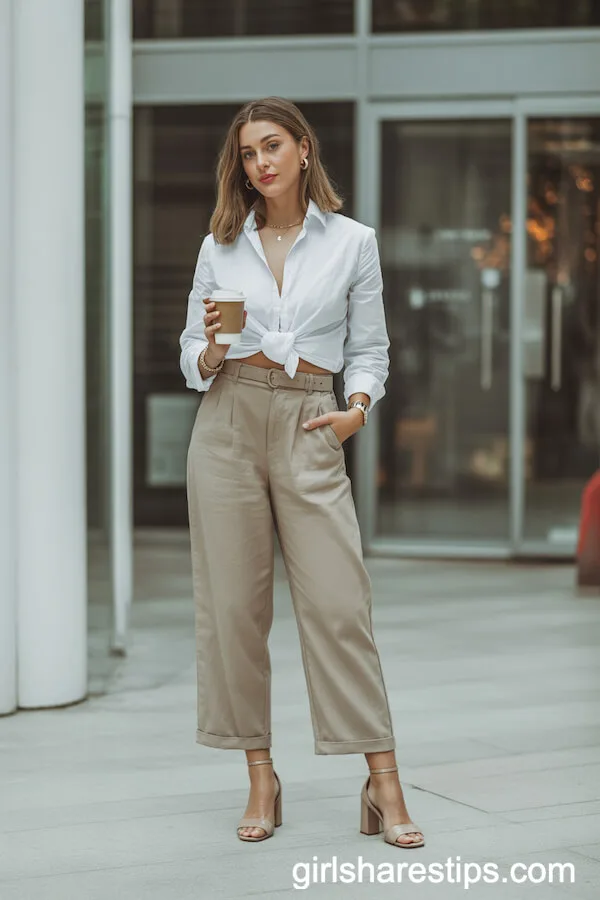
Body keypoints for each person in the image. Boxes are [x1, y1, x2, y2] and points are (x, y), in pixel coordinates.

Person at [179, 96, 424, 849]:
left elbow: (371, 348)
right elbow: (191, 353)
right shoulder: (220, 245)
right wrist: (214, 348)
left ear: (304, 148)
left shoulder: (353, 242)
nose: (263, 162)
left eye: (274, 145)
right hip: (227, 420)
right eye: (250, 153)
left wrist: (356, 410)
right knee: (232, 612)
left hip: (312, 420)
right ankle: (261, 775)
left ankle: (383, 781)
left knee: (339, 606)